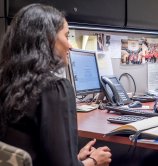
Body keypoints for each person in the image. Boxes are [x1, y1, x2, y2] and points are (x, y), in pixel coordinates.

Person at [0, 4, 111, 166]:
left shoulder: (6, 83)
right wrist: (93, 161)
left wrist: (76, 158)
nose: (70, 45)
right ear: (48, 39)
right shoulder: (54, 88)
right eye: (66, 36)